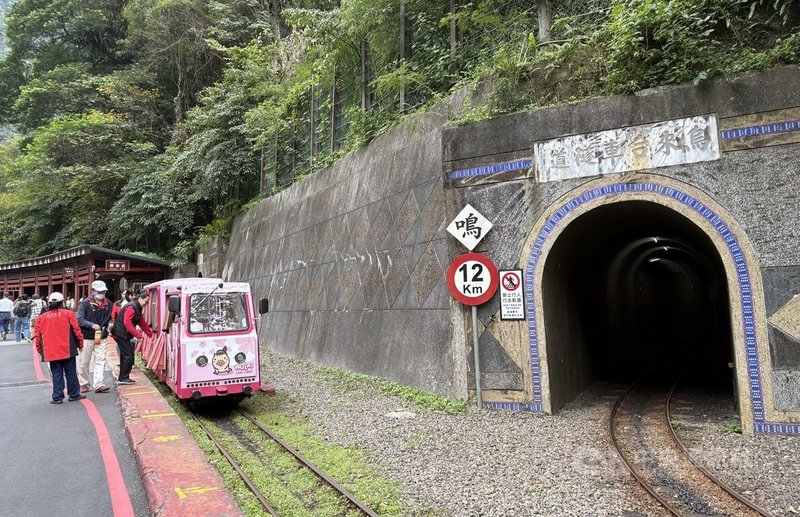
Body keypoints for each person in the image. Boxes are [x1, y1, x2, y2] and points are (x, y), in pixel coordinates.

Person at [33, 292, 85, 404]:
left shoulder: (41, 318)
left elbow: (37, 337)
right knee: (71, 372)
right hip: (67, 348)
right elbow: (77, 331)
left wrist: (40, 350)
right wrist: (80, 344)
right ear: (62, 302)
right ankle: (74, 394)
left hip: (51, 351)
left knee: (56, 373)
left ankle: (57, 396)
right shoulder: (68, 314)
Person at [76, 280, 113, 394]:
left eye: (103, 291)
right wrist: (91, 325)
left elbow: (109, 318)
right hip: (87, 336)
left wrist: (110, 323)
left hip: (101, 336)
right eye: (99, 291)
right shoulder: (85, 303)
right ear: (93, 291)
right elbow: (79, 319)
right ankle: (84, 383)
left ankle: (99, 384)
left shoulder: (109, 304)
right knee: (84, 361)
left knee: (101, 359)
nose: (102, 293)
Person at [111, 292, 153, 385]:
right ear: (140, 299)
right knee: (128, 355)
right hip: (120, 334)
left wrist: (150, 334)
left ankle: (123, 377)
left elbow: (141, 322)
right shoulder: (132, 307)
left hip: (122, 334)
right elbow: (127, 323)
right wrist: (138, 335)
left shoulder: (137, 307)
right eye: (145, 302)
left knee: (125, 355)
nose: (146, 304)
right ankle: (124, 378)